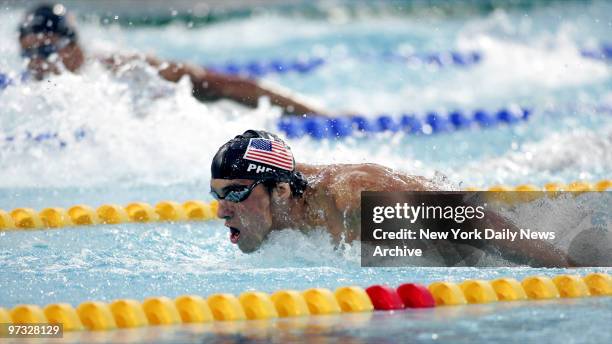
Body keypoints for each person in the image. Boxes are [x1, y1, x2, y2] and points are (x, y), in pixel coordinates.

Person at [210, 129, 574, 267]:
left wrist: (573, 270)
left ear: (283, 192)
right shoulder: (277, 202)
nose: (222, 211)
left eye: (235, 194)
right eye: (218, 195)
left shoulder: (348, 198)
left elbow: (474, 223)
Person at [17, 3, 323, 116]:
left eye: (44, 50)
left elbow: (222, 84)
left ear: (73, 46)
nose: (36, 62)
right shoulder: (24, 94)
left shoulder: (125, 69)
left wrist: (319, 115)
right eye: (27, 53)